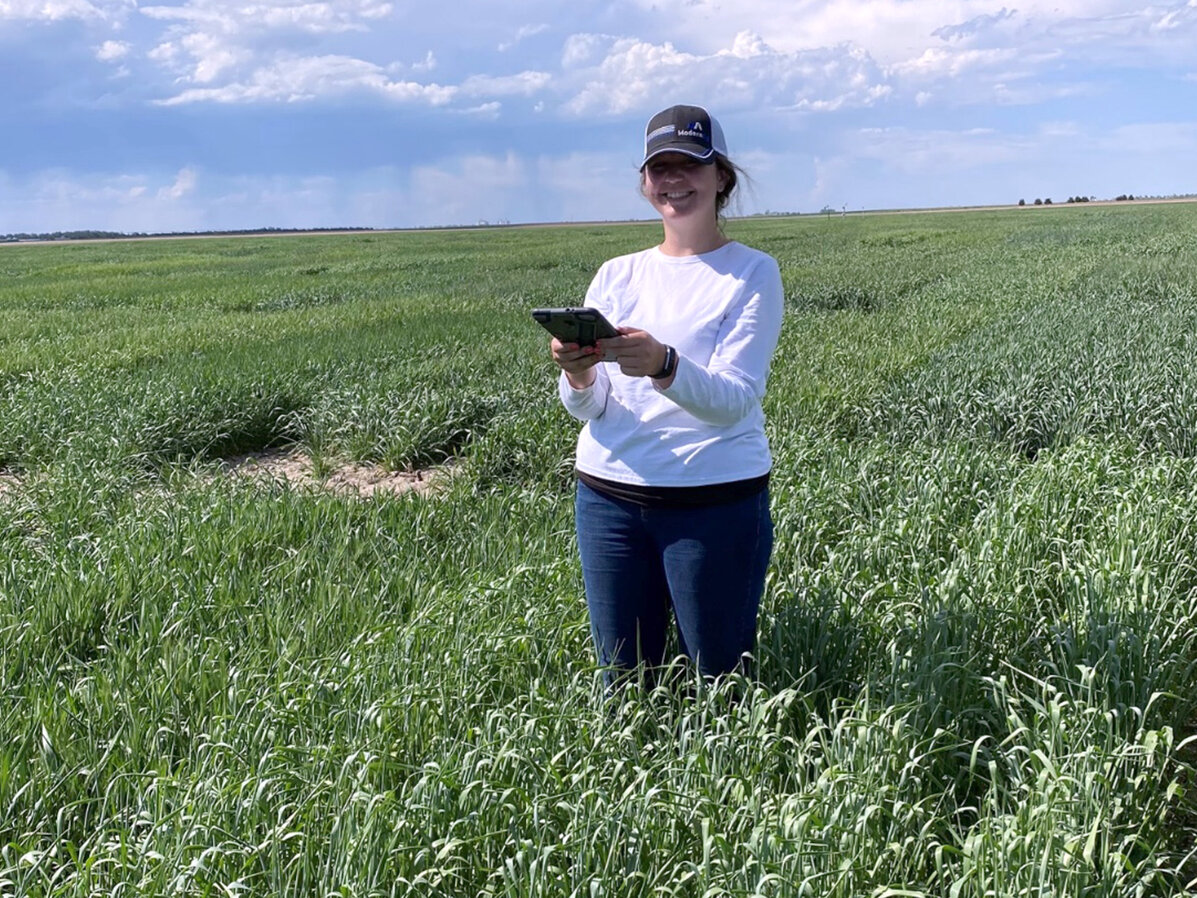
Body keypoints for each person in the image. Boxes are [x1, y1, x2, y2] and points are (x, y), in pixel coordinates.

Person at [548, 103, 784, 685]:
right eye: (660, 167)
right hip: (608, 498)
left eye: (690, 164)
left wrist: (663, 364)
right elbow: (591, 405)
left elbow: (735, 399)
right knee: (623, 681)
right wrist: (577, 373)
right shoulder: (617, 273)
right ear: (645, 181)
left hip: (714, 500)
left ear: (721, 176)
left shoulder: (753, 273)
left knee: (720, 681)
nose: (673, 180)